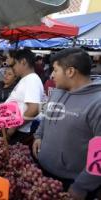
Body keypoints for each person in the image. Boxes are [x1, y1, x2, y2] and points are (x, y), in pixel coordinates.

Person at [32, 48, 101, 200]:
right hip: (43, 171)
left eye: (55, 70)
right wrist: (39, 135)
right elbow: (47, 115)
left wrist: (81, 186)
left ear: (70, 72)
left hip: (72, 183)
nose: (51, 75)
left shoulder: (97, 103)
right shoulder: (58, 90)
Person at [5, 49, 44, 145]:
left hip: (18, 132)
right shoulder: (26, 79)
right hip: (13, 128)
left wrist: (13, 128)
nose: (14, 67)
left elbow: (34, 109)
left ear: (23, 62)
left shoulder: (32, 80)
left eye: (15, 64)